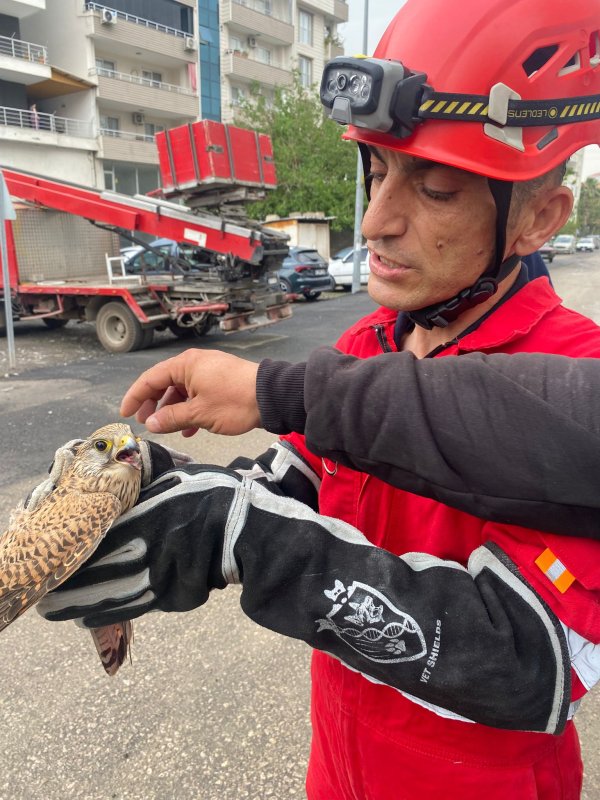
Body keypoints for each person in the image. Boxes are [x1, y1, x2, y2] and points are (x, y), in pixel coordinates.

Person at [38, 1, 600, 797]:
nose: (373, 222)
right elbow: (291, 484)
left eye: (434, 189)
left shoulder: (575, 377)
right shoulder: (364, 345)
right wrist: (164, 494)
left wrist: (255, 544)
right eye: (374, 174)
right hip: (337, 771)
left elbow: (524, 662)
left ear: (539, 218)